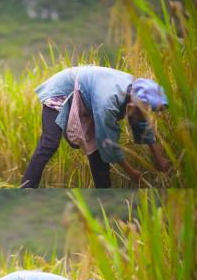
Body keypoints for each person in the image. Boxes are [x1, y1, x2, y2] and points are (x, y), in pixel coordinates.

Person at [22, 66, 170, 188]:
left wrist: (158, 157)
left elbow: (141, 122)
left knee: (96, 154)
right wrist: (130, 171)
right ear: (136, 103)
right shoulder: (108, 100)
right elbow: (107, 141)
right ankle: (26, 187)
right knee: (50, 142)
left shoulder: (135, 90)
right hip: (63, 89)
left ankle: (103, 197)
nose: (144, 112)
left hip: (85, 96)